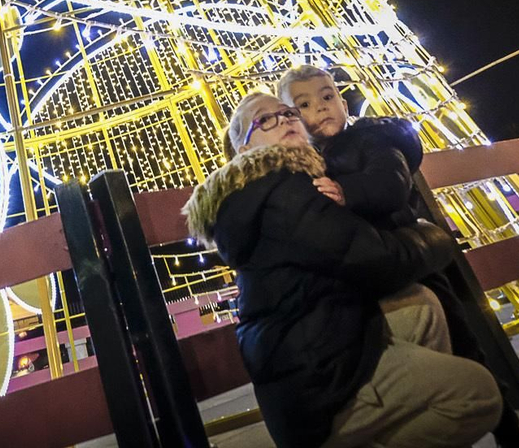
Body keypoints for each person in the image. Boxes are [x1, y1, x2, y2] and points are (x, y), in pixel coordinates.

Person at [183, 90, 502, 448]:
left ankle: (398, 420)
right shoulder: (281, 191)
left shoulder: (282, 186)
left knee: (418, 304)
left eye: (288, 112)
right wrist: (434, 236)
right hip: (318, 384)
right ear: (244, 150)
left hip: (319, 352)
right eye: (265, 119)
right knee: (476, 393)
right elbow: (376, 259)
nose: (286, 119)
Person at [276, 65, 519, 448]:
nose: (320, 108)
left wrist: (346, 192)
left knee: (463, 344)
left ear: (341, 98)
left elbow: (391, 185)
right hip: (366, 271)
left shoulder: (372, 140)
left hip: (409, 259)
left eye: (327, 97)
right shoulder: (303, 161)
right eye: (303, 104)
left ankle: (510, 435)